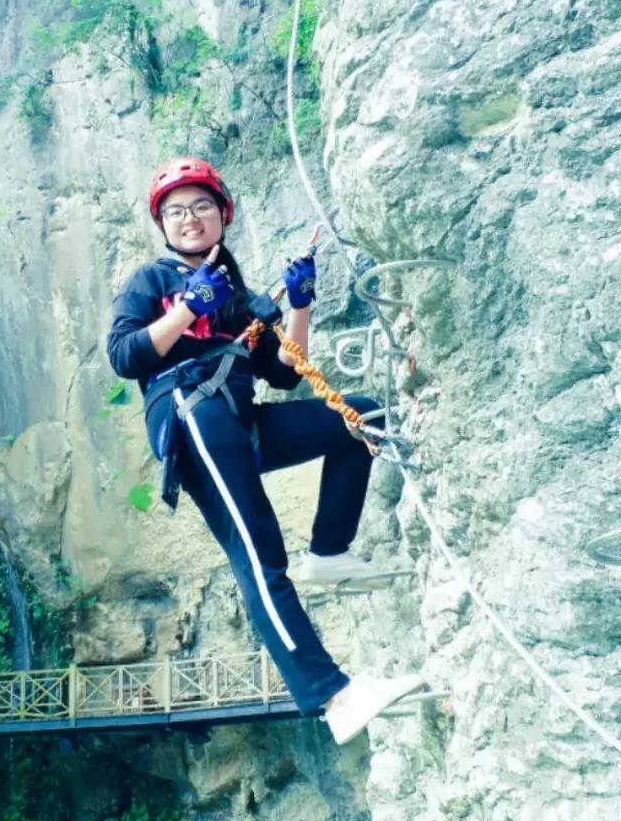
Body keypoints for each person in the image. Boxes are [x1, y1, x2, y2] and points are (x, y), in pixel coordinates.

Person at [106, 156, 425, 745]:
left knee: (361, 418)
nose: (190, 218)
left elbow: (283, 373)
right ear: (163, 225)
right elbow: (125, 355)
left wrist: (300, 304)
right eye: (176, 211)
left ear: (222, 214)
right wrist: (186, 309)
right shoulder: (151, 281)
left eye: (201, 206)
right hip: (193, 416)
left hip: (241, 420)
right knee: (257, 550)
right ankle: (331, 694)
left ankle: (330, 550)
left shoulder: (239, 294)